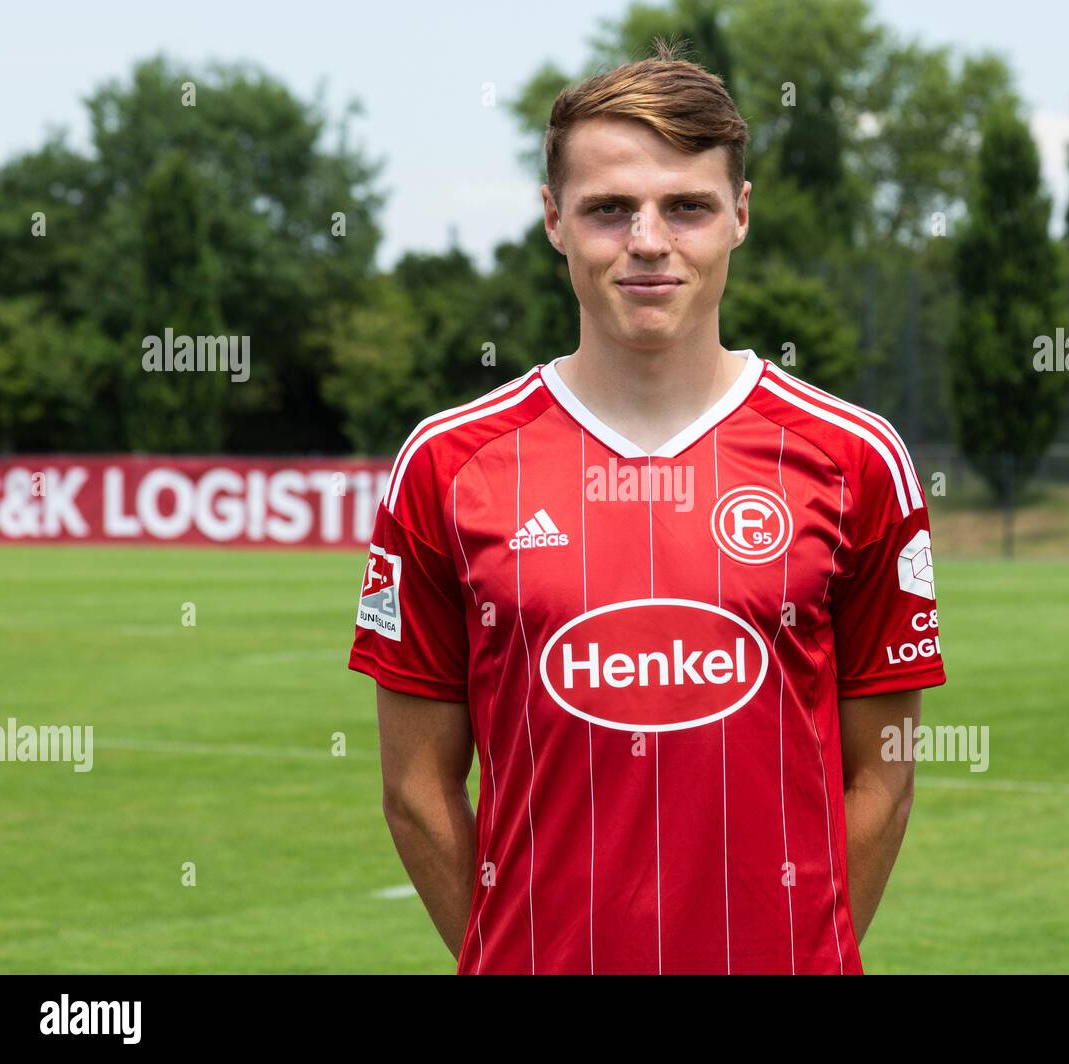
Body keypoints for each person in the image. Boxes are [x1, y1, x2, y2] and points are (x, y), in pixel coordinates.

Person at [348, 40, 946, 974]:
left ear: (739, 215)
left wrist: (793, 954)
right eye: (609, 209)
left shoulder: (856, 460)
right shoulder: (447, 465)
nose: (649, 240)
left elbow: (885, 772)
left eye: (688, 206)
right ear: (554, 219)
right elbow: (416, 785)